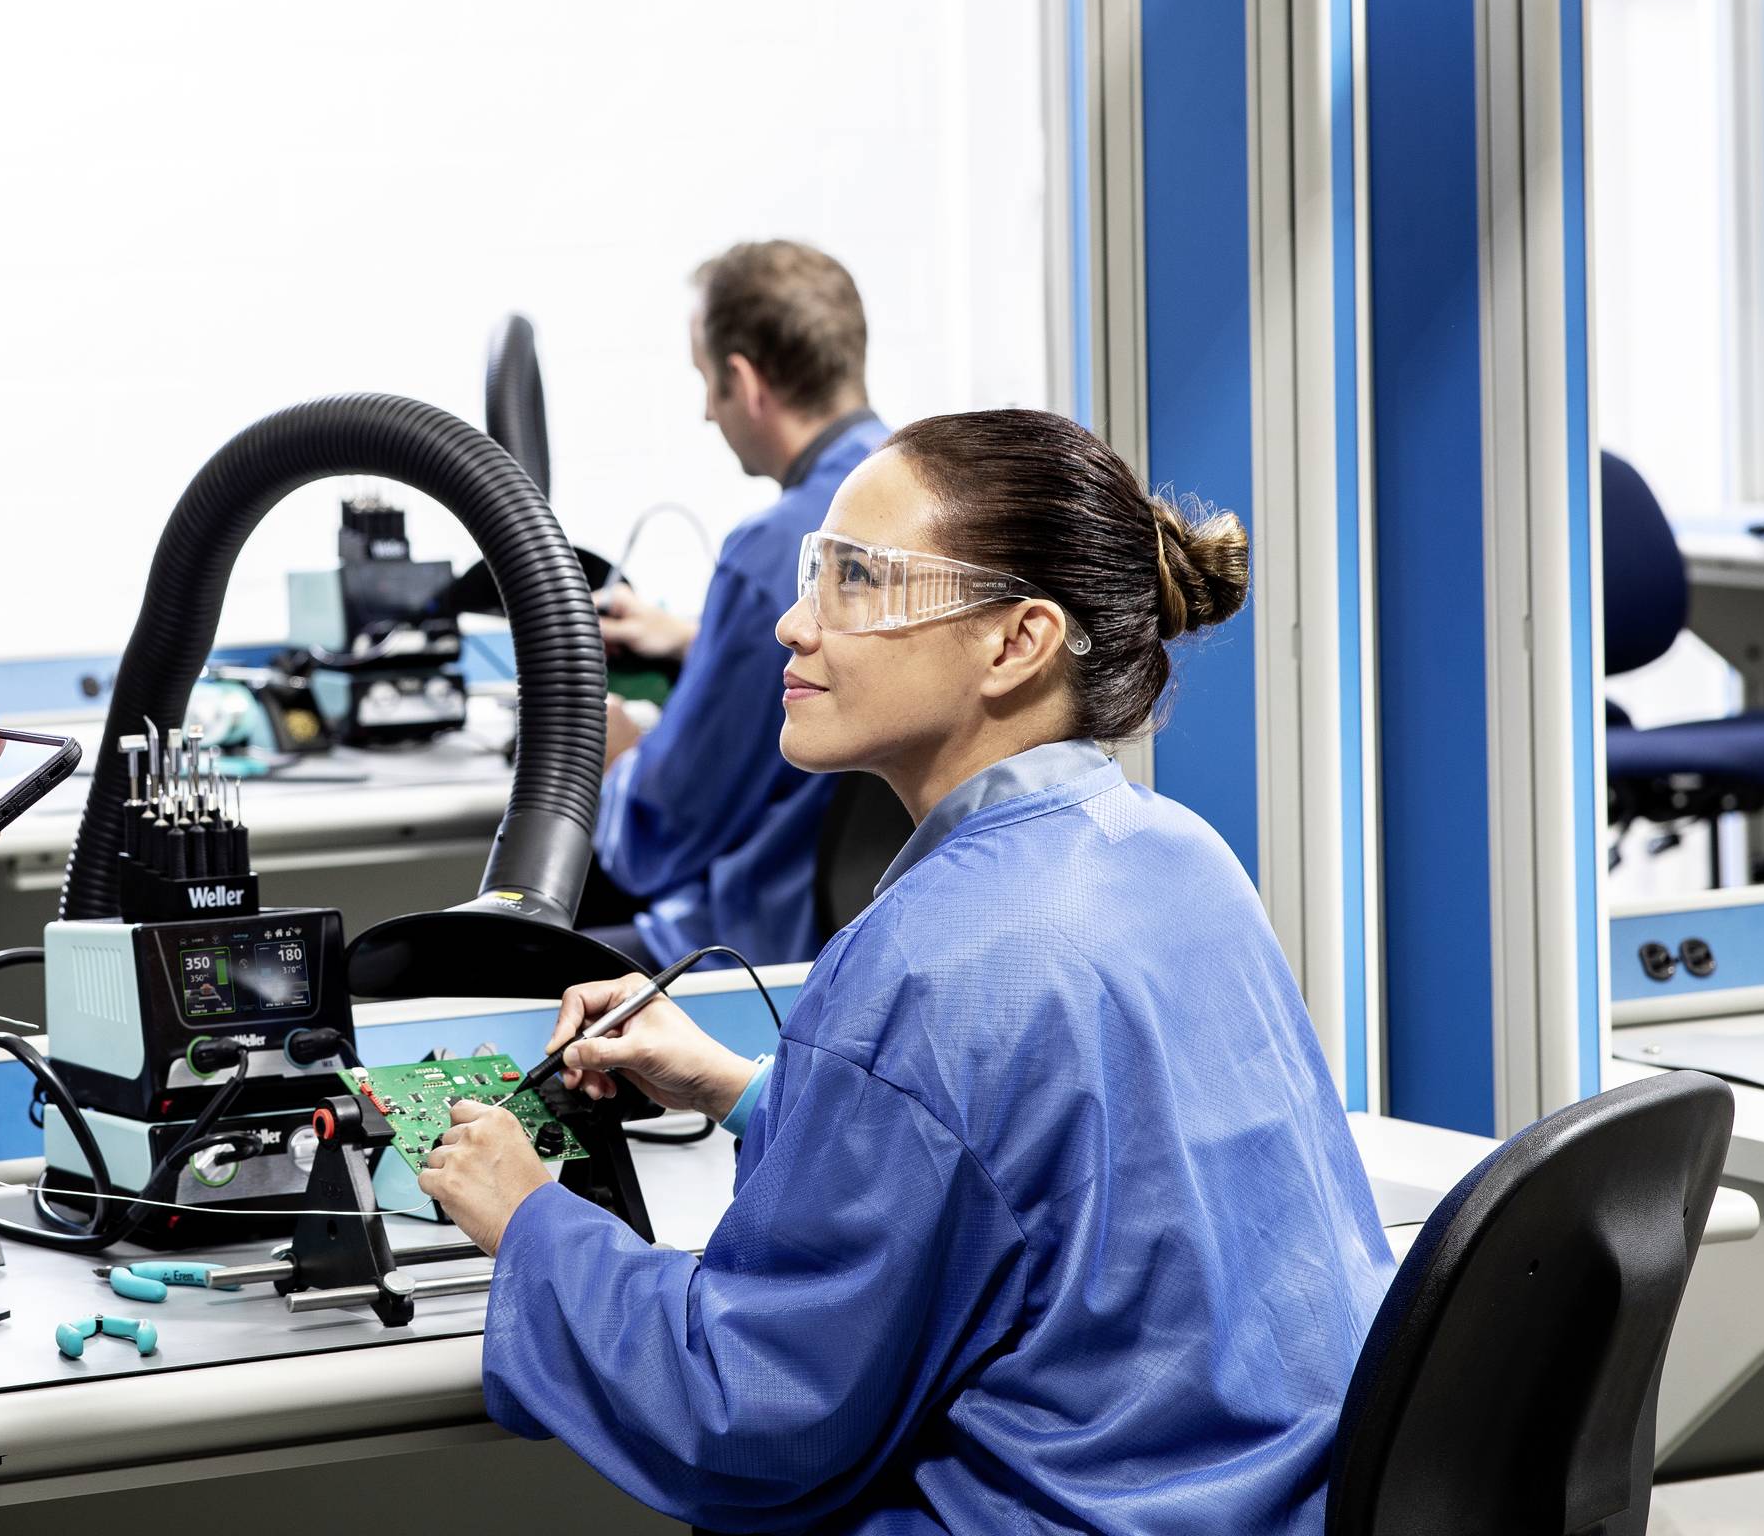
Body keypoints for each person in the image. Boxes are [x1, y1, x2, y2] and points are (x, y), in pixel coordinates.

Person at [417, 409, 1395, 1534]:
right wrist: (744, 1087)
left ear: (1015, 640)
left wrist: (530, 1215)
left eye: (857, 580)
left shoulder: (930, 960)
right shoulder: (1180, 854)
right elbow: (1039, 1177)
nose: (791, 624)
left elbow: (750, 1412)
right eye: (809, 575)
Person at [591, 239, 892, 966]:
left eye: (707, 383)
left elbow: (654, 840)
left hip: (750, 957)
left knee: (496, 972)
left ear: (743, 380)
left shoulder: (773, 555)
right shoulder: (929, 502)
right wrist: (696, 639)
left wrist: (615, 755)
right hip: (877, 938)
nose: (704, 412)